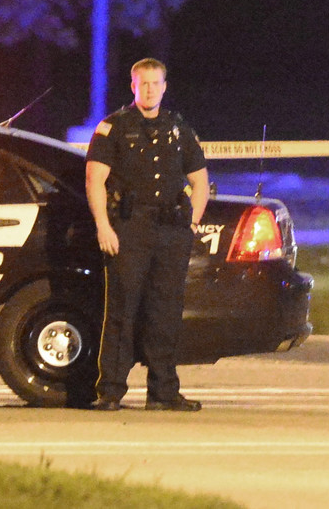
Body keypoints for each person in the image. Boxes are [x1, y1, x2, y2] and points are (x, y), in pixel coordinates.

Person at [84, 58, 209, 412]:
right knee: (122, 309)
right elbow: (95, 181)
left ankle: (163, 391)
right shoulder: (114, 127)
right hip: (129, 229)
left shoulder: (178, 128)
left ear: (165, 86)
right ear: (133, 86)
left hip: (171, 231)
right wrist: (103, 227)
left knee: (165, 312)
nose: (151, 89)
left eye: (156, 83)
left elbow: (200, 180)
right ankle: (110, 391)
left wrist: (193, 223)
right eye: (144, 84)